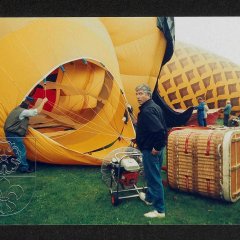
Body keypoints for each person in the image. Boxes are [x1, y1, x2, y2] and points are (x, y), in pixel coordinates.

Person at [135, 84, 167, 219]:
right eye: (137, 93)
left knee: (154, 179)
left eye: (141, 93)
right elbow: (161, 127)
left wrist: (156, 147)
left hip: (151, 150)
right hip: (156, 148)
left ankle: (159, 211)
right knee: (151, 175)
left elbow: (160, 130)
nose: (138, 97)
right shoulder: (155, 106)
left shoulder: (147, 111)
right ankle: (149, 198)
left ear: (148, 94)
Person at [4, 96, 48, 173]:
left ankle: (23, 165)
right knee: (21, 151)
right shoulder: (22, 112)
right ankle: (24, 168)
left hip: (11, 133)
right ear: (26, 103)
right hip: (13, 134)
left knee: (19, 150)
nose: (29, 105)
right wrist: (43, 102)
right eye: (28, 103)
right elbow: (36, 111)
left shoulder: (16, 109)